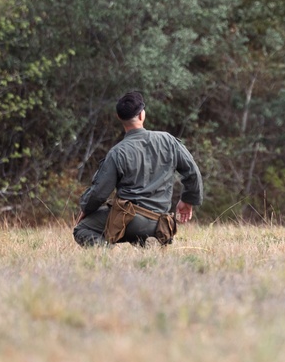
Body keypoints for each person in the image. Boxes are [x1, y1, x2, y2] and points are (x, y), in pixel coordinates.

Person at [74, 91, 203, 247]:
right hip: (161, 223)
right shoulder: (168, 141)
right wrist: (188, 200)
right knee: (146, 230)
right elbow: (192, 172)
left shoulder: (117, 152)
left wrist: (86, 209)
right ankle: (149, 242)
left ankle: (109, 253)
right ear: (142, 115)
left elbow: (99, 192)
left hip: (128, 221)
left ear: (119, 117)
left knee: (82, 228)